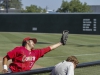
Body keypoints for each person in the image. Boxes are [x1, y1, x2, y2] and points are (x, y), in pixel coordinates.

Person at [2, 30, 69, 73]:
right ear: (27, 42)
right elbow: (6, 58)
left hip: (25, 73)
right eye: (32, 41)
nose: (34, 43)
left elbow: (49, 48)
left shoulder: (35, 53)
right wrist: (5, 68)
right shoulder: (19, 49)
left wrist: (61, 43)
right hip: (13, 73)